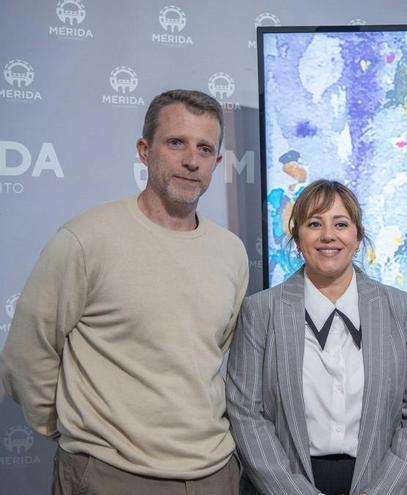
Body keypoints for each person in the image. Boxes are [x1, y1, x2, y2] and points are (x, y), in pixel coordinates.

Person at [0, 90, 249, 494]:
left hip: (214, 473)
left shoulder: (231, 252)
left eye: (205, 148)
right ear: (144, 151)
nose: (191, 160)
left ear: (217, 163)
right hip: (109, 474)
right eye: (176, 143)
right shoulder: (86, 239)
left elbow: (213, 351)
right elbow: (27, 355)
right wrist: (76, 433)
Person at [226, 179, 407, 495]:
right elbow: (246, 414)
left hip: (380, 484)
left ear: (357, 236)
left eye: (340, 224)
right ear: (297, 237)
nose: (328, 235)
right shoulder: (260, 311)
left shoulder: (400, 308)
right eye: (315, 224)